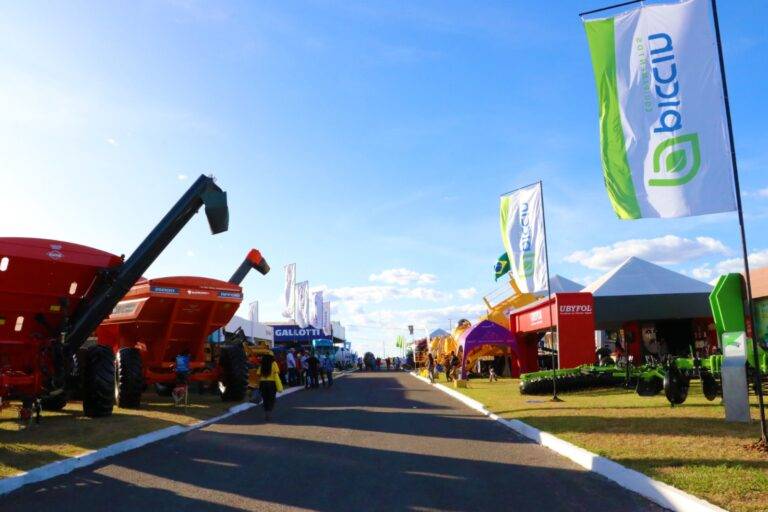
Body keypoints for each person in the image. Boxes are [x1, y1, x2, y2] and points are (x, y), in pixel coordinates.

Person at [258, 352, 283, 421]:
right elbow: (277, 372)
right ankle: (269, 412)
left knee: (265, 398)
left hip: (263, 383)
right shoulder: (274, 363)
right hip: (271, 383)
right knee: (271, 398)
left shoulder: (262, 364)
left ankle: (266, 412)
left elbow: (258, 373)